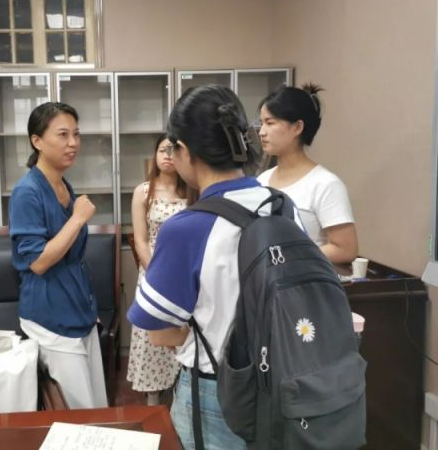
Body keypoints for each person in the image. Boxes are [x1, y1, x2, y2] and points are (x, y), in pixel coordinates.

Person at [127, 84, 297, 449]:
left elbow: (160, 333)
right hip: (282, 383)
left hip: (217, 394)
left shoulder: (186, 228)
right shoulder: (280, 205)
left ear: (184, 151)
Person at [9, 101, 107, 409]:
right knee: (77, 412)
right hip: (51, 316)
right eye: (63, 135)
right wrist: (77, 218)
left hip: (78, 311)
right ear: (37, 141)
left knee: (96, 405)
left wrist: (88, 306)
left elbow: (71, 256)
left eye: (76, 134)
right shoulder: (27, 192)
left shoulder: (63, 185)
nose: (73, 143)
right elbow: (38, 262)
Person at [126, 134, 194, 406]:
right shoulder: (143, 192)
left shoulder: (193, 191)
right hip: (153, 273)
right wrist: (156, 275)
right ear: (154, 155)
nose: (167, 155)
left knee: (182, 332)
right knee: (151, 333)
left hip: (185, 273)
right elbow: (141, 241)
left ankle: (181, 395)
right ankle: (152, 401)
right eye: (162, 150)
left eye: (173, 150)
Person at [256, 84, 358, 264]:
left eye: (270, 123)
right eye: (261, 123)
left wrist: (287, 257)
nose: (262, 132)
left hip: (305, 278)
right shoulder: (262, 180)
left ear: (297, 127)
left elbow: (345, 249)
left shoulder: (325, 184)